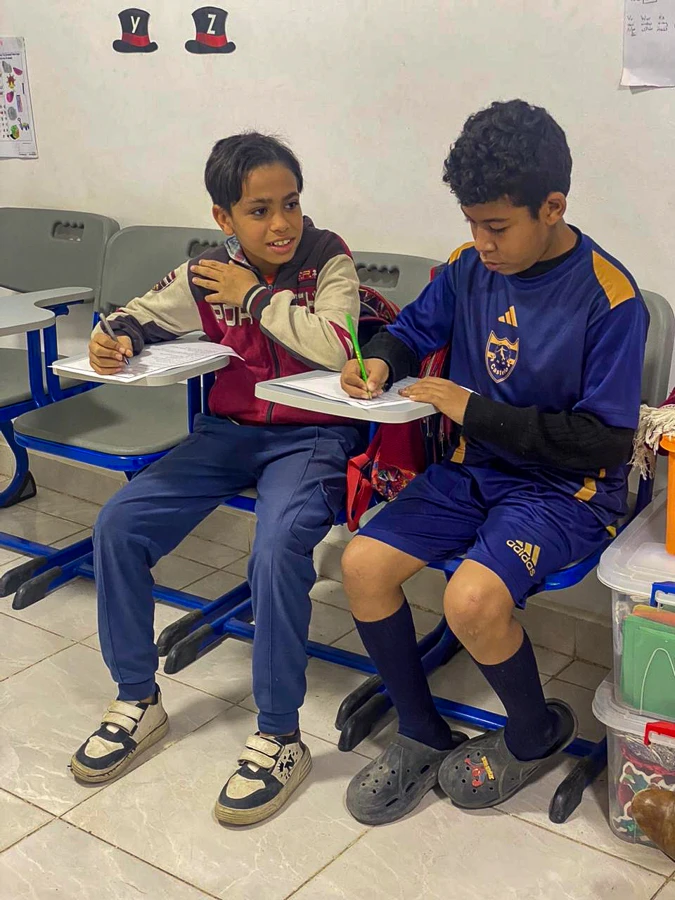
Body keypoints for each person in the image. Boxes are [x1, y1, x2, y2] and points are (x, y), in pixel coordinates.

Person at [339, 99, 649, 826]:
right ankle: (421, 732)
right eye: (471, 223)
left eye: (498, 227)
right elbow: (409, 332)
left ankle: (535, 733)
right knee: (361, 564)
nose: (481, 243)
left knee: (471, 600)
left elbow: (604, 443)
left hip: (565, 492)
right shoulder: (465, 268)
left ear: (552, 207)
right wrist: (380, 362)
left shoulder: (610, 297)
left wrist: (472, 410)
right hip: (472, 472)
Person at [70, 132, 364, 826]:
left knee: (276, 548)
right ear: (223, 218)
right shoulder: (208, 272)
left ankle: (280, 736)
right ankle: (137, 697)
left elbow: (339, 344)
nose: (282, 223)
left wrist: (255, 297)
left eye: (291, 203)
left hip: (313, 436)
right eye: (259, 210)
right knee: (118, 525)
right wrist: (114, 337)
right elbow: (141, 314)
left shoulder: (328, 258)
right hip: (229, 434)